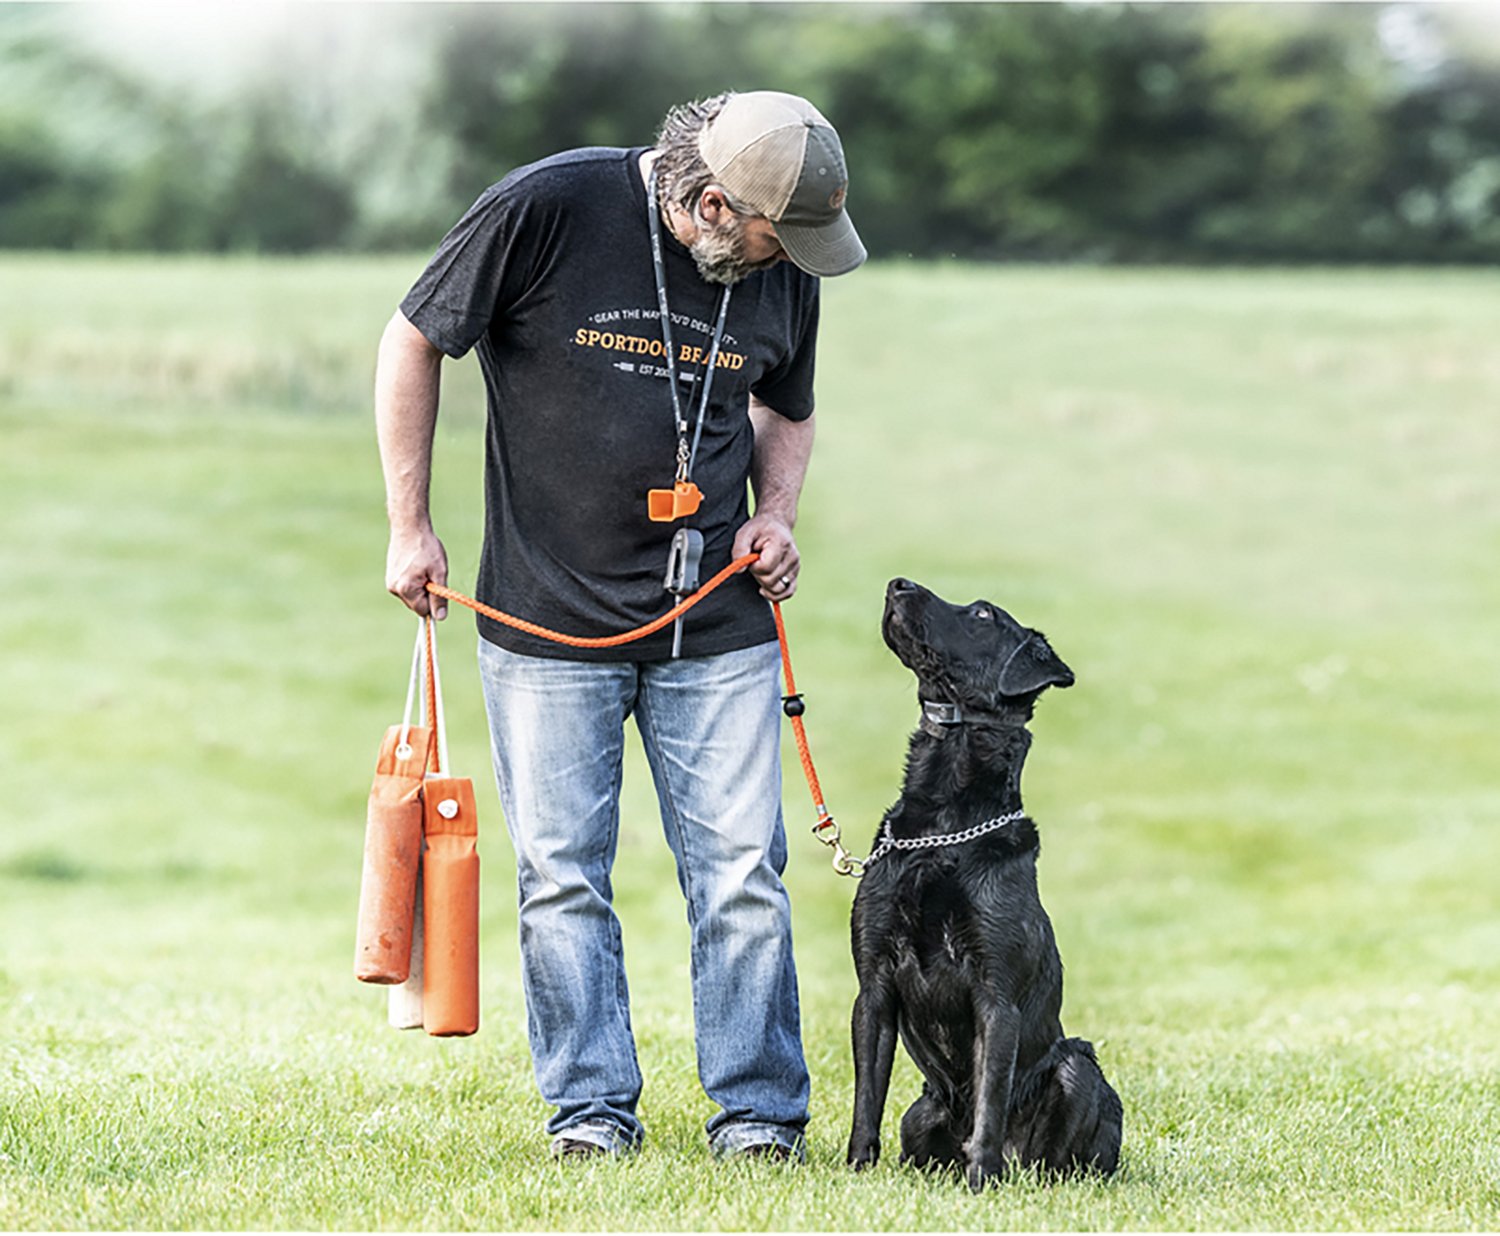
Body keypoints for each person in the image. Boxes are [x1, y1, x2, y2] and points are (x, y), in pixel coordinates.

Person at [374, 90, 865, 1162]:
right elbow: (412, 341)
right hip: (546, 619)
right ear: (710, 205)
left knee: (743, 876)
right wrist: (410, 526)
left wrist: (777, 515)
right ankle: (591, 1114)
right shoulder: (545, 207)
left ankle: (759, 1118)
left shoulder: (782, 260)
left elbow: (786, 404)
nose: (791, 263)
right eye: (778, 240)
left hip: (717, 619)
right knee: (562, 877)